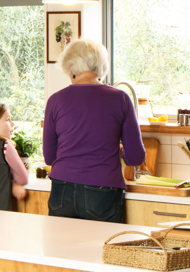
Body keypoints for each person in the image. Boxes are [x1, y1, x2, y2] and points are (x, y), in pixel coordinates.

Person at [42, 39, 144, 223]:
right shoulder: (120, 98)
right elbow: (136, 157)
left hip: (61, 188)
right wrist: (121, 152)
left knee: (61, 250)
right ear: (101, 66)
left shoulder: (55, 100)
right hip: (103, 190)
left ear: (71, 66)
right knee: (101, 250)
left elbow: (49, 157)